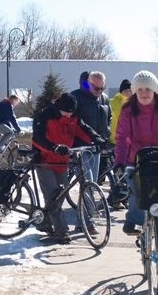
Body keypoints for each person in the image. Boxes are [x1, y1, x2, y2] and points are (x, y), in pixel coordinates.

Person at [114, 70, 158, 276]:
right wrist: (120, 162)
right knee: (136, 196)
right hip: (136, 161)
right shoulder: (128, 110)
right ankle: (133, 220)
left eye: (147, 89)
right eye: (139, 89)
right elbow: (122, 137)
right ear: (134, 92)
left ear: (155, 90)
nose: (144, 93)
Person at [32, 93, 105, 244]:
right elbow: (37, 139)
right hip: (45, 161)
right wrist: (54, 148)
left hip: (62, 161)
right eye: (66, 111)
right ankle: (61, 231)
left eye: (71, 112)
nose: (69, 114)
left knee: (61, 195)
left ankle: (45, 221)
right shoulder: (45, 115)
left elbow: (83, 129)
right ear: (59, 107)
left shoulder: (73, 116)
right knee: (53, 195)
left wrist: (97, 138)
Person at [71, 71, 111, 183]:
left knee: (93, 182)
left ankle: (87, 199)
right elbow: (72, 121)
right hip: (81, 146)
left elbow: (109, 117)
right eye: (97, 88)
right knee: (88, 180)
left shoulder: (104, 98)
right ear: (88, 83)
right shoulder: (75, 97)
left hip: (97, 145)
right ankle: (88, 199)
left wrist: (106, 133)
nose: (100, 91)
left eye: (102, 88)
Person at [109, 79, 132, 145]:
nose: (128, 93)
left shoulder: (134, 104)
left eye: (130, 91)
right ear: (121, 92)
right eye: (125, 91)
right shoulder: (111, 102)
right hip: (113, 140)